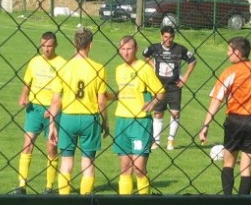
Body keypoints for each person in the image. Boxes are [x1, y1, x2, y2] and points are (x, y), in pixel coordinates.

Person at [198, 37, 251, 205]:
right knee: (247, 168)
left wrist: (206, 124)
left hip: (235, 121)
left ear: (237, 52)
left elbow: (217, 99)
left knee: (229, 163)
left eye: (229, 50)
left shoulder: (231, 72)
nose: (227, 53)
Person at [49, 27, 109, 195]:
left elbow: (55, 100)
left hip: (68, 118)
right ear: (91, 44)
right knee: (88, 163)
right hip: (90, 118)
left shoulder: (64, 68)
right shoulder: (99, 68)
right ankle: (84, 202)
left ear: (74, 44)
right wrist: (105, 122)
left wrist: (52, 125)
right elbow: (101, 100)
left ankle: (64, 202)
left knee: (66, 163)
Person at [112, 36, 166, 195]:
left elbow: (160, 91)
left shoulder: (144, 68)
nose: (126, 52)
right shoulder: (119, 70)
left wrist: (152, 103)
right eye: (123, 49)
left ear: (135, 49)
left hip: (140, 123)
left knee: (139, 168)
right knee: (124, 168)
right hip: (122, 121)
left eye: (129, 49)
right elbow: (123, 93)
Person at [16, 32, 65, 194]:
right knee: (27, 145)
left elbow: (64, 91)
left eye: (49, 46)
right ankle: (21, 186)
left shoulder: (62, 64)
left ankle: (49, 187)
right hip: (34, 109)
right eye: (43, 46)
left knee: (51, 148)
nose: (46, 49)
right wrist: (23, 95)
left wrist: (54, 108)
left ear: (56, 45)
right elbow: (27, 81)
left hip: (53, 110)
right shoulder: (34, 62)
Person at [142, 26, 197, 151]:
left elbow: (193, 61)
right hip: (158, 86)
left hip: (174, 86)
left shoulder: (180, 49)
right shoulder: (154, 48)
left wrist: (185, 77)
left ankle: (171, 140)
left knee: (175, 113)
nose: (168, 39)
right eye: (166, 37)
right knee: (158, 113)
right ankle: (156, 141)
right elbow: (145, 54)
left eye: (171, 37)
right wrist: (152, 65)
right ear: (161, 36)